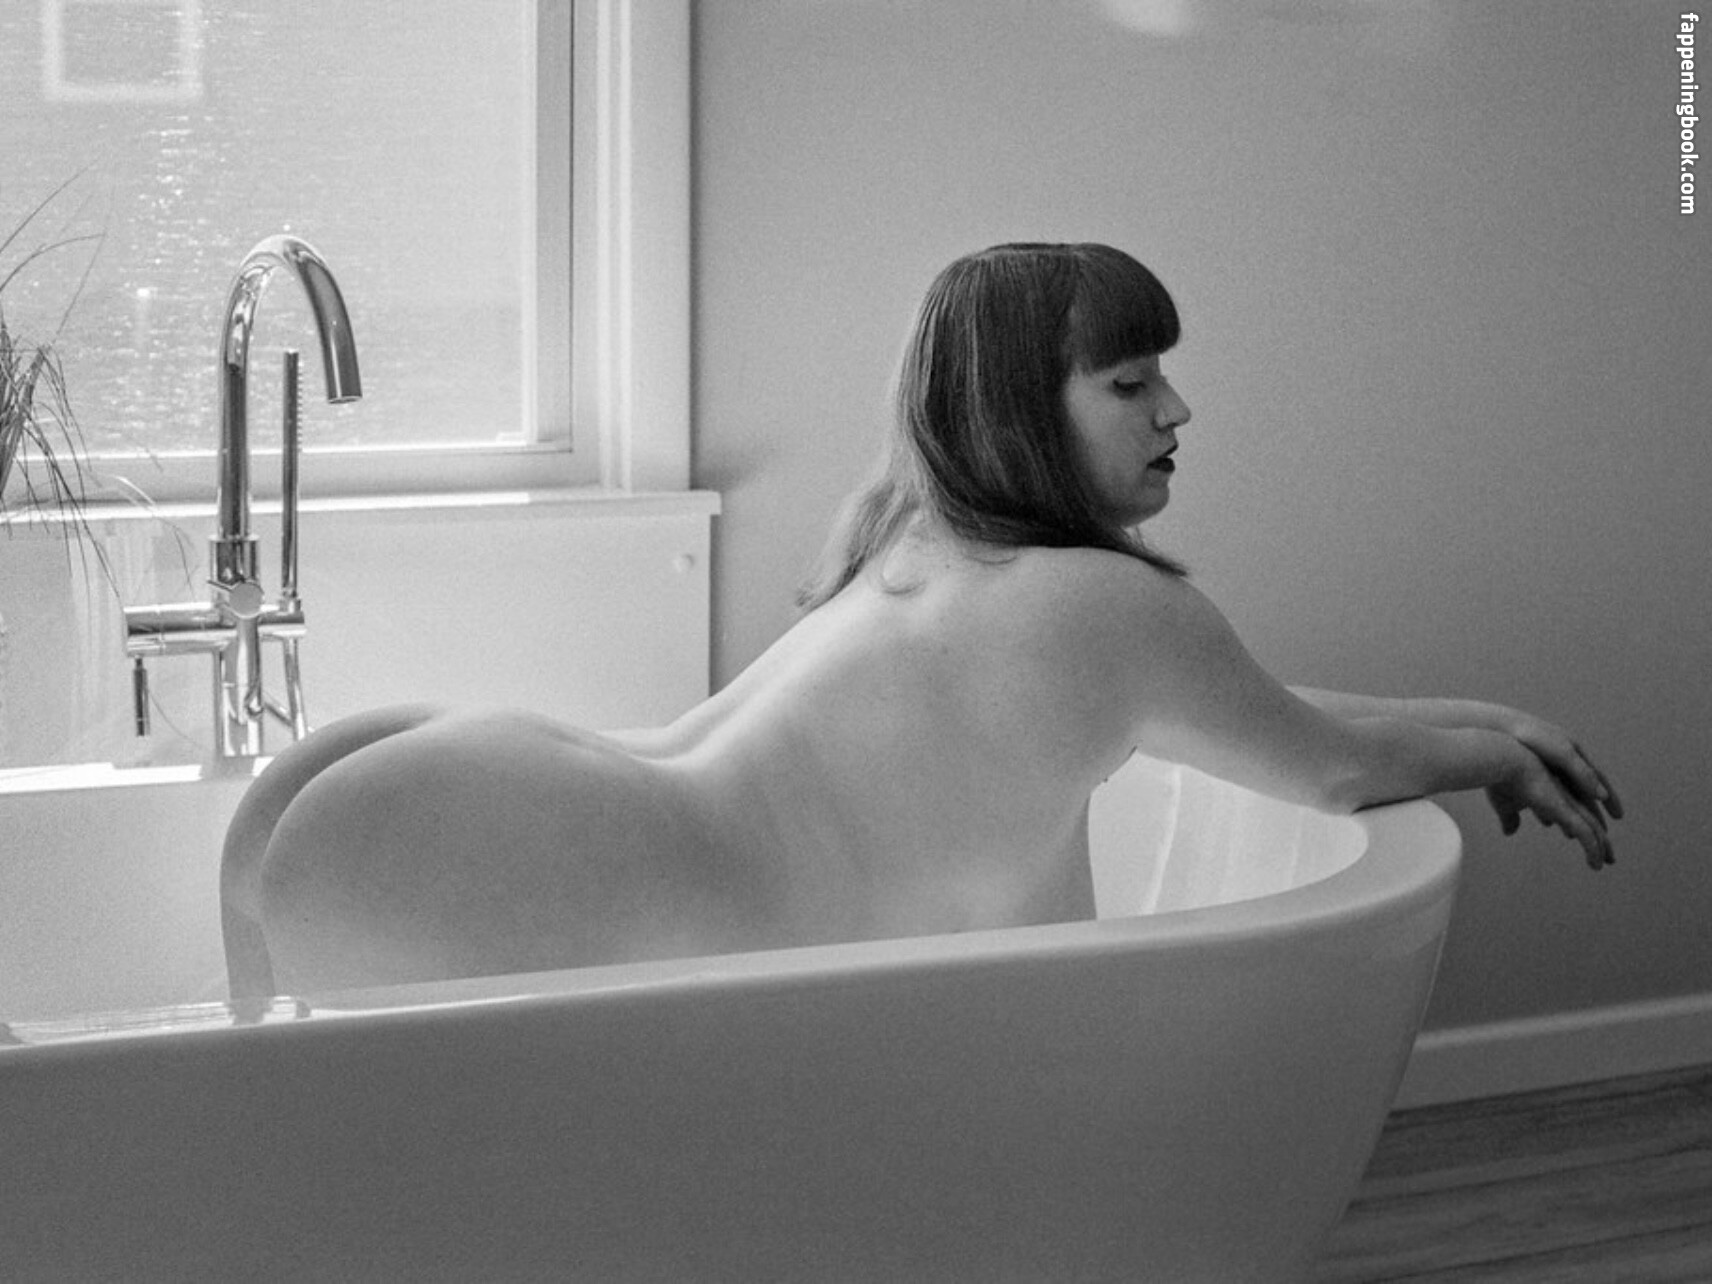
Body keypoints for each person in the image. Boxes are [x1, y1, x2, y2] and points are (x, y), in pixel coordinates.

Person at [222, 242, 1621, 999]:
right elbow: (1325, 765)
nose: (1177, 410)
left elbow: (1257, 715)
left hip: (512, 779)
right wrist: (1492, 755)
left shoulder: (915, 545)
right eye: (1130, 383)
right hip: (577, 851)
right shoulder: (1103, 605)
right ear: (1026, 408)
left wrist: (1487, 722)